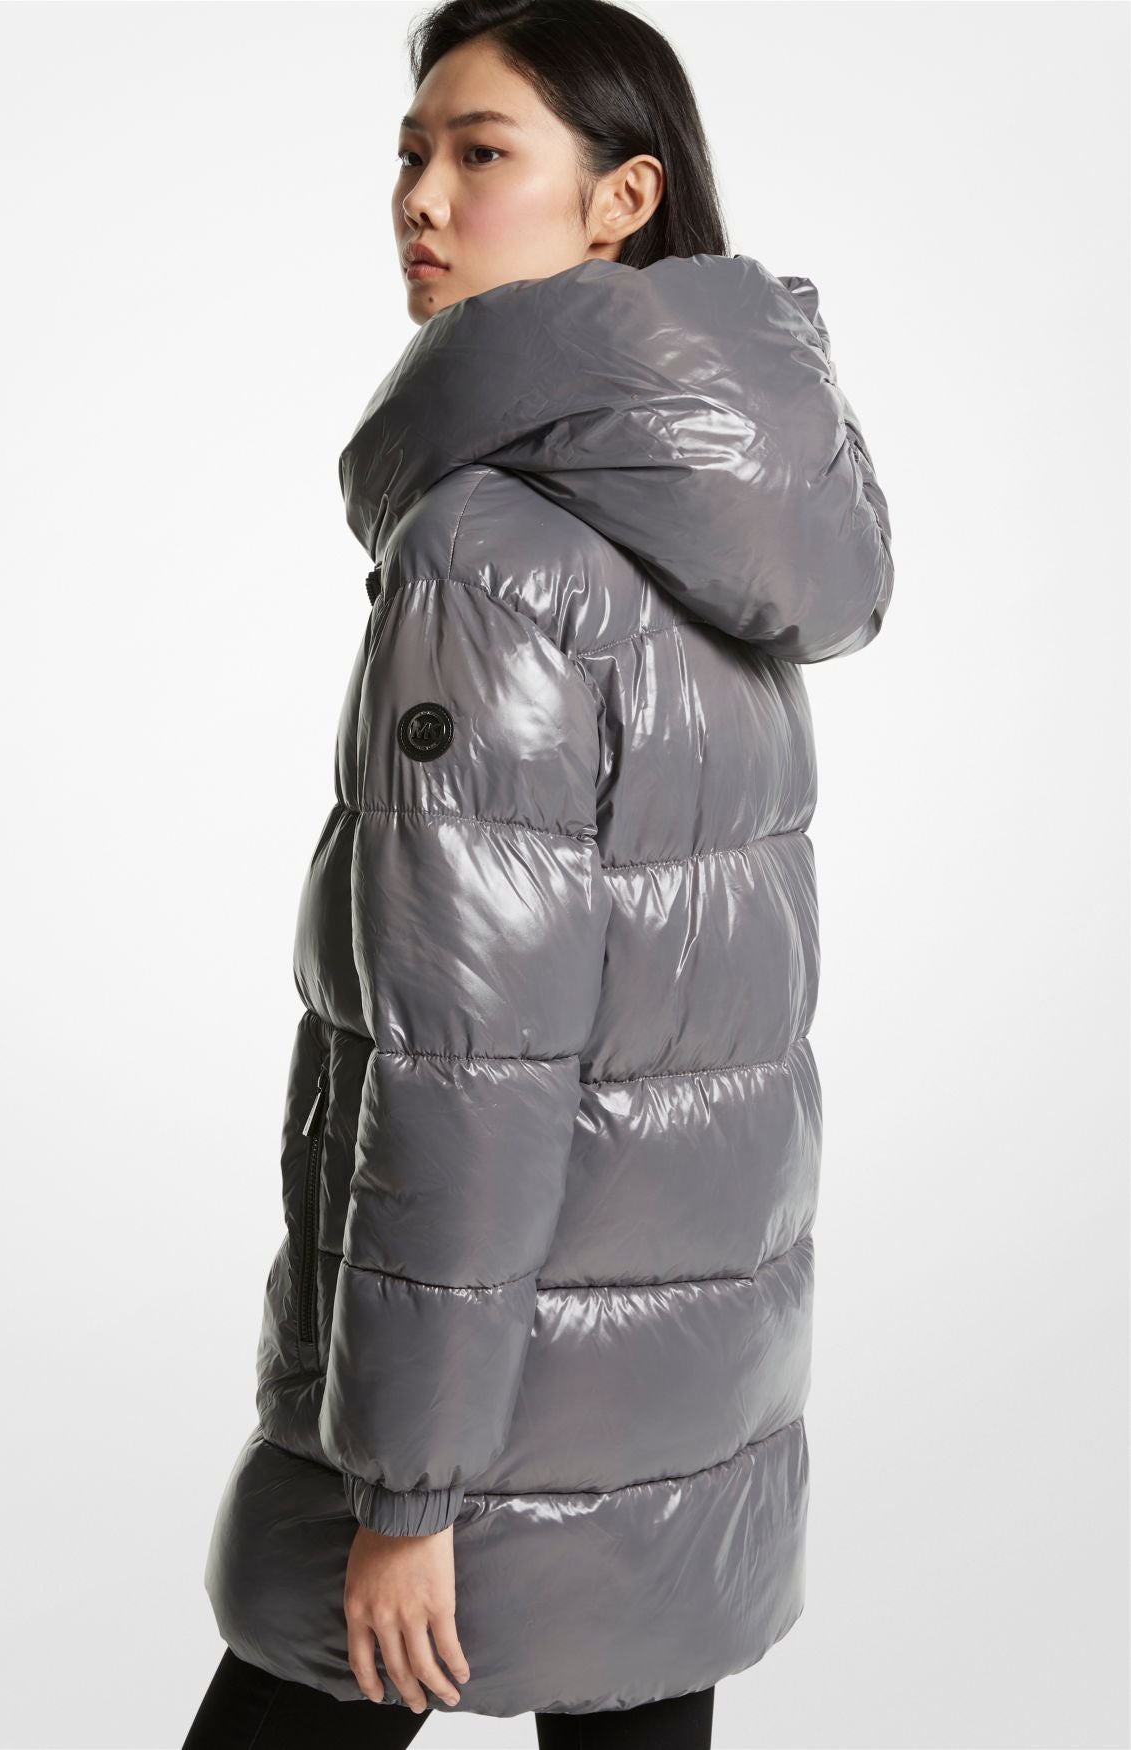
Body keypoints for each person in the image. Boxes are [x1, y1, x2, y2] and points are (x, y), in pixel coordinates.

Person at [186, 0, 895, 1743]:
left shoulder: (488, 551)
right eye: (410, 155)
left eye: (482, 152)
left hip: (484, 1422)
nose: (422, 199)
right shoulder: (729, 535)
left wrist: (407, 1489)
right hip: (677, 1405)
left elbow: (469, 1067)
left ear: (621, 199)